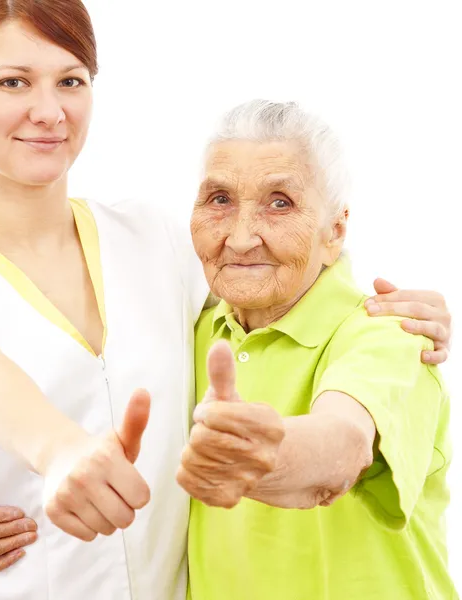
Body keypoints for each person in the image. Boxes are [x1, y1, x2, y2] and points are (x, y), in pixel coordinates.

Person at [0, 0, 451, 596]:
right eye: (13, 82)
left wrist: (411, 316)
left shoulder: (154, 235)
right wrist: (55, 456)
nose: (49, 110)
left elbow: (279, 282)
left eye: (71, 81)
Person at [178, 100, 457, 600]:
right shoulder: (190, 330)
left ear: (336, 231)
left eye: (279, 202)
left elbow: (343, 442)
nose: (241, 239)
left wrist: (256, 456)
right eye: (219, 199)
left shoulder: (390, 334)